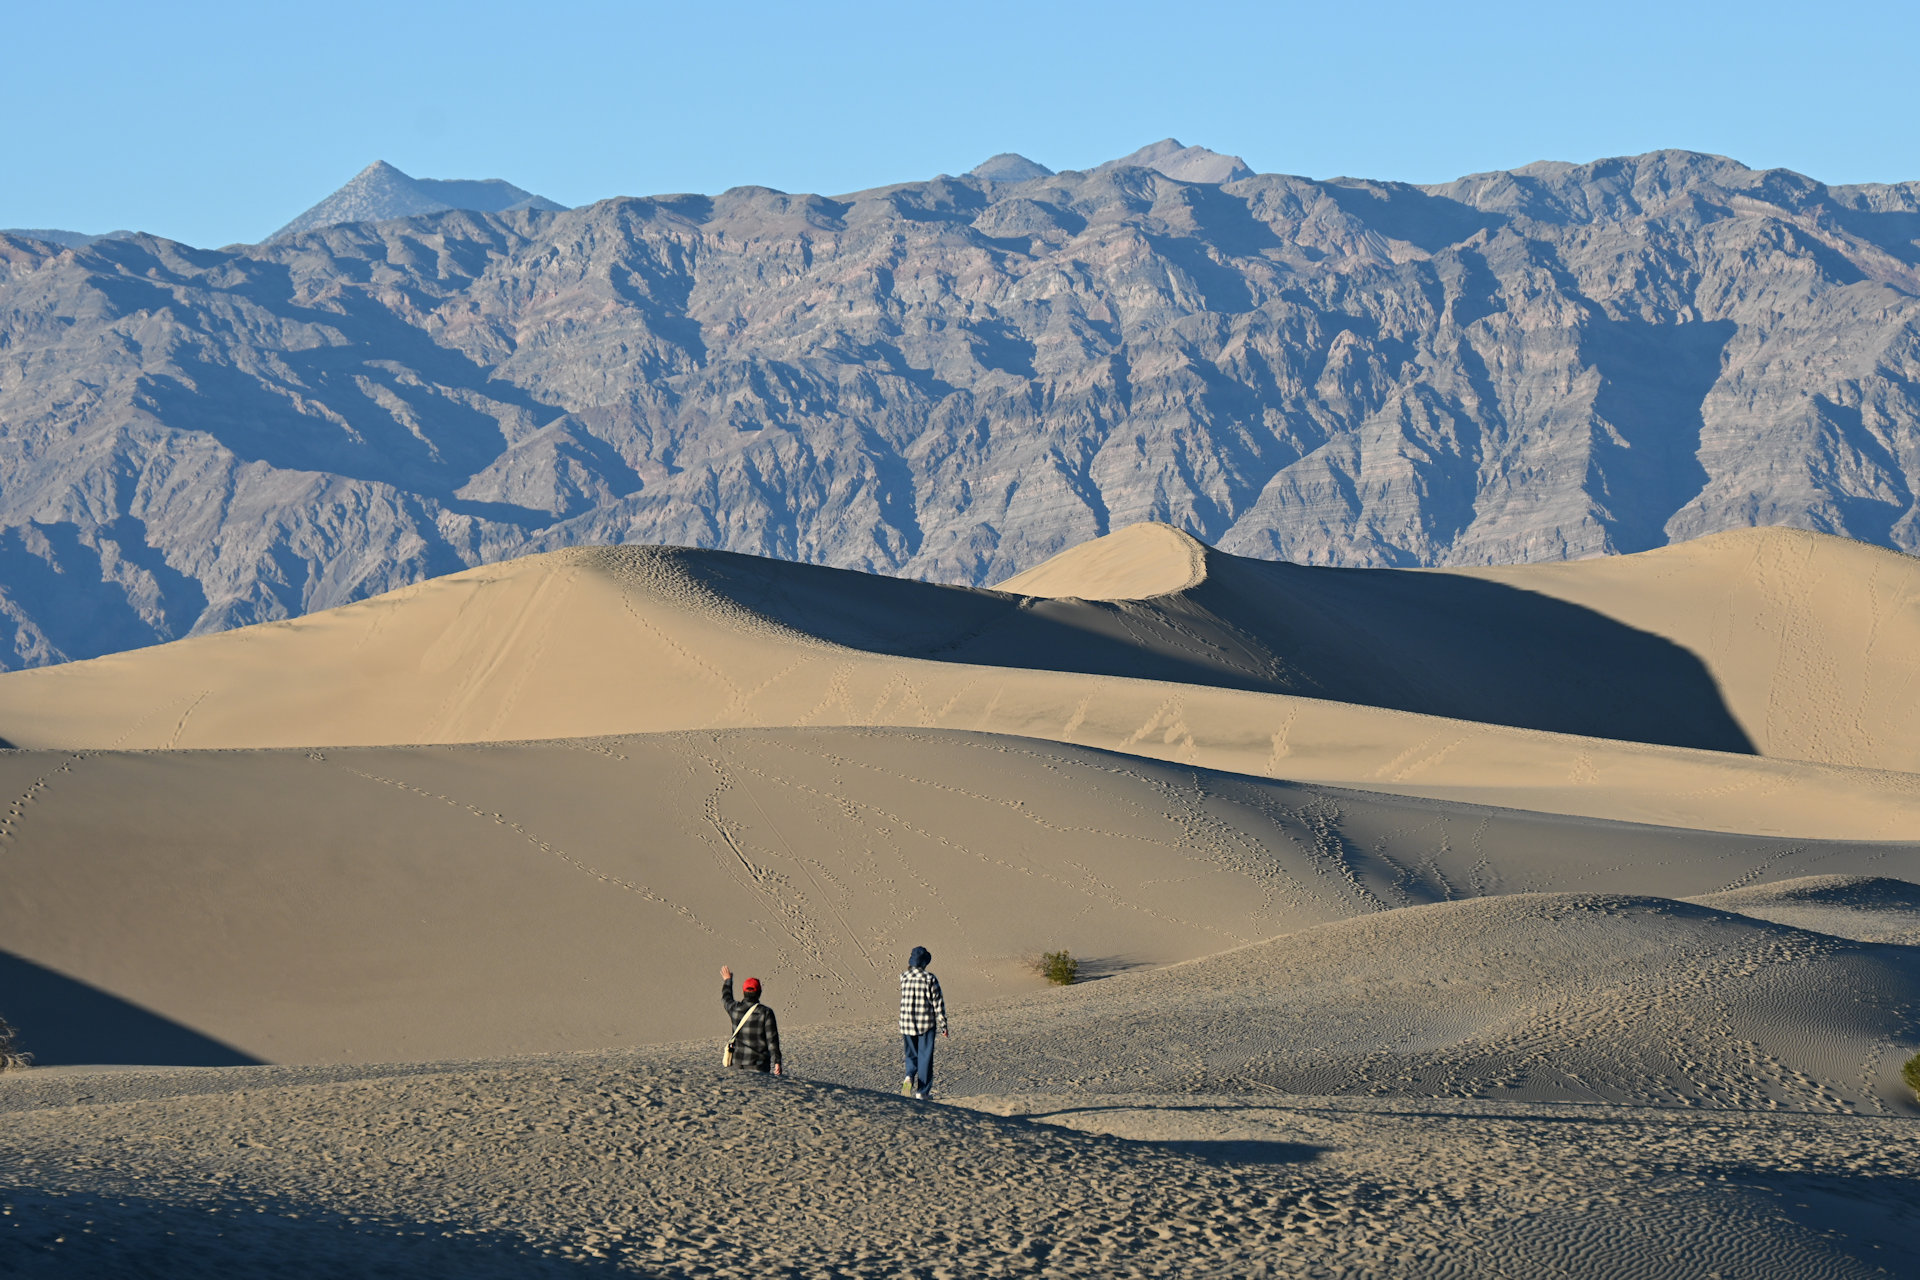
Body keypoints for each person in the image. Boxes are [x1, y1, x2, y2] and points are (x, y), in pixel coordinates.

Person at [897, 945, 949, 1099]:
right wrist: (943, 1025)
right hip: (926, 1023)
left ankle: (909, 1075)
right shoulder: (929, 978)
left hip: (906, 1022)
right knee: (925, 1056)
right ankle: (922, 1091)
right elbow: (937, 1003)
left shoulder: (903, 977)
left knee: (911, 1053)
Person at [720, 964, 782, 1076]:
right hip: (759, 1065)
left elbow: (726, 998)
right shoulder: (766, 1012)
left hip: (737, 1064)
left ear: (744, 992)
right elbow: (772, 1040)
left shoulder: (735, 1009)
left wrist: (727, 980)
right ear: (759, 992)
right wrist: (777, 1062)